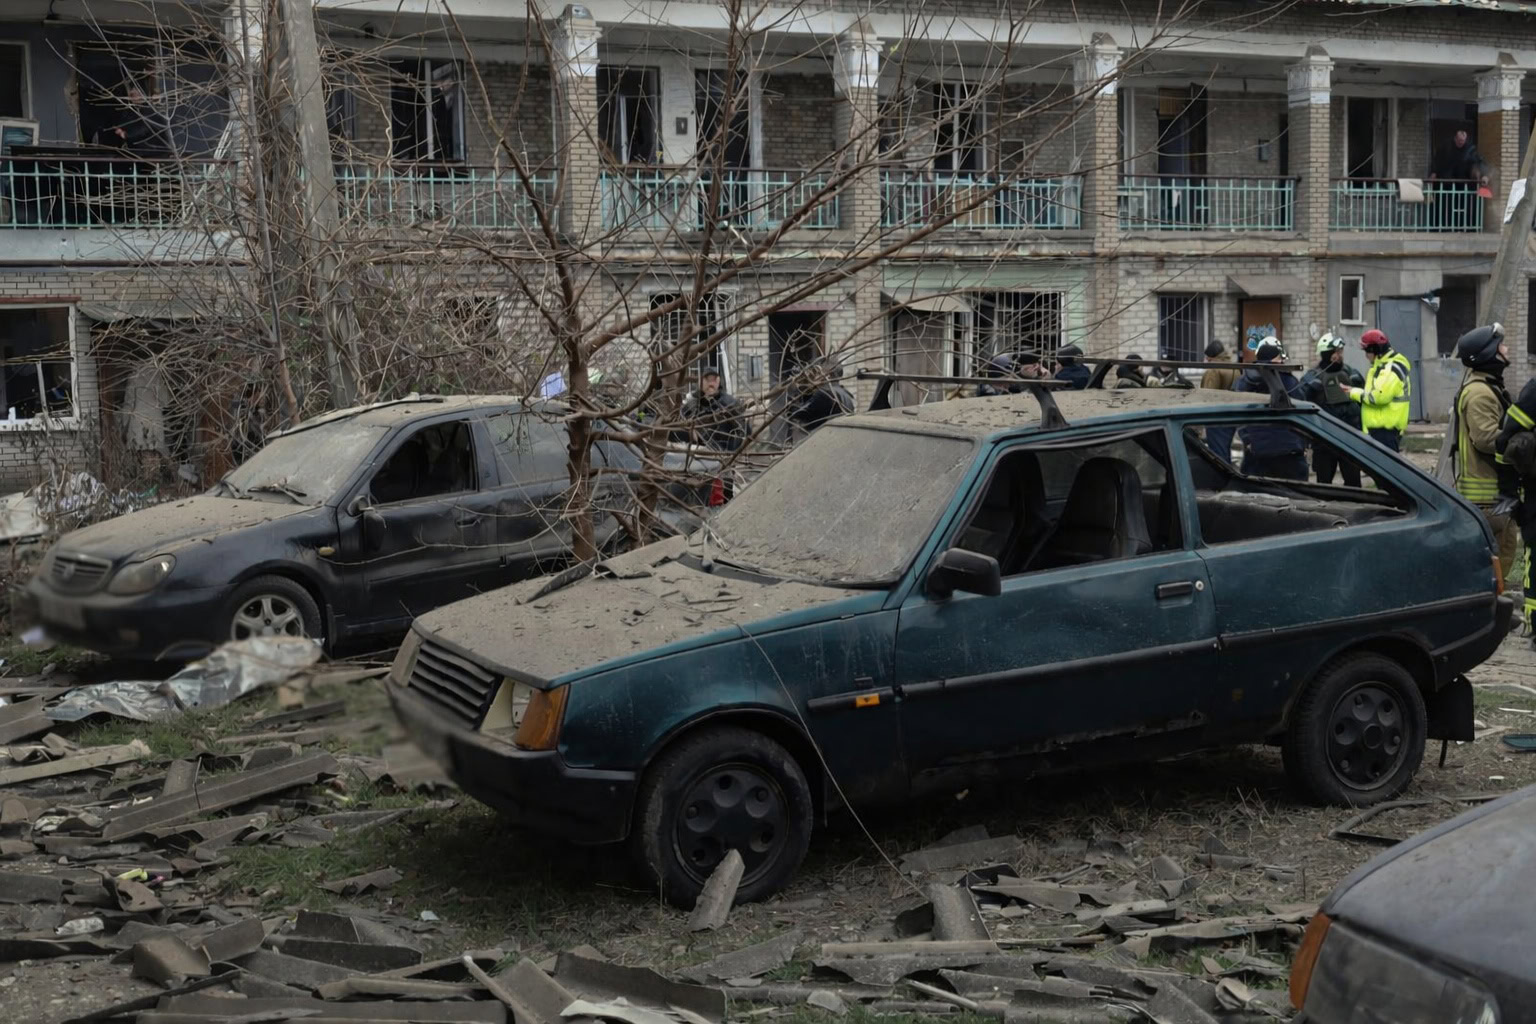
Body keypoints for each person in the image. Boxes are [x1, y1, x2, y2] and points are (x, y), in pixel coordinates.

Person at [1452, 323, 1518, 583]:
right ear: (1489, 354)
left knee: (1504, 557)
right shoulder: (1480, 394)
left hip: (1495, 497)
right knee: (1492, 565)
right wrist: (1524, 441)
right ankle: (1488, 613)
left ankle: (1492, 608)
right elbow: (1485, 439)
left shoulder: (1489, 388)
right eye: (1501, 345)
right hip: (1487, 498)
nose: (1506, 348)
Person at [1233, 337, 1307, 480]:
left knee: (1257, 496)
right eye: (1279, 357)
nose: (1282, 361)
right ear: (1273, 359)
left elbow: (1238, 413)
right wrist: (1301, 443)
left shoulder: (1243, 381)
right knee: (1295, 496)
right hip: (1288, 452)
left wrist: (1247, 440)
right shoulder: (1288, 381)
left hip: (1257, 452)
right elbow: (1302, 413)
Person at [1300, 333, 1364, 487]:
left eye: (1340, 351)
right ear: (1328, 354)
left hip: (1350, 439)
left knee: (1354, 483)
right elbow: (1302, 404)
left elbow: (1364, 399)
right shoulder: (1312, 378)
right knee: (1324, 485)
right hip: (1324, 441)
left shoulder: (1352, 373)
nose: (1340, 355)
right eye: (1337, 351)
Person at [1343, 328, 1412, 453]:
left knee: (1387, 469)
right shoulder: (1381, 366)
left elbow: (1377, 397)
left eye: (1367, 352)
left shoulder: (1390, 369)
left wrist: (1353, 393)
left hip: (1385, 432)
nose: (1365, 356)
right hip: (1381, 431)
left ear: (1375, 350)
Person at [1429, 129, 1489, 229]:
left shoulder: (1470, 149)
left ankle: (1464, 228)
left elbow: (1480, 162)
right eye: (1459, 140)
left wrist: (1484, 175)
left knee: (1465, 208)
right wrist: (1434, 172)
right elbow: (1437, 161)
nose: (1461, 142)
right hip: (1447, 184)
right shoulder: (1446, 147)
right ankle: (1444, 228)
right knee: (1445, 207)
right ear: (1455, 139)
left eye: (1463, 140)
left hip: (1465, 186)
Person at [679, 366, 747, 452]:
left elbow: (743, 430)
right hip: (696, 452)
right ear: (701, 382)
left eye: (714, 380)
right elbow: (681, 422)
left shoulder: (729, 402)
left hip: (723, 453)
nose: (711, 384)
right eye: (708, 380)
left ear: (718, 382)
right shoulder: (692, 404)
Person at [787, 359, 854, 433]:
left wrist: (792, 390)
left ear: (828, 375)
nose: (815, 376)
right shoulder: (846, 394)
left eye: (818, 373)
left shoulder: (825, 394)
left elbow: (799, 414)